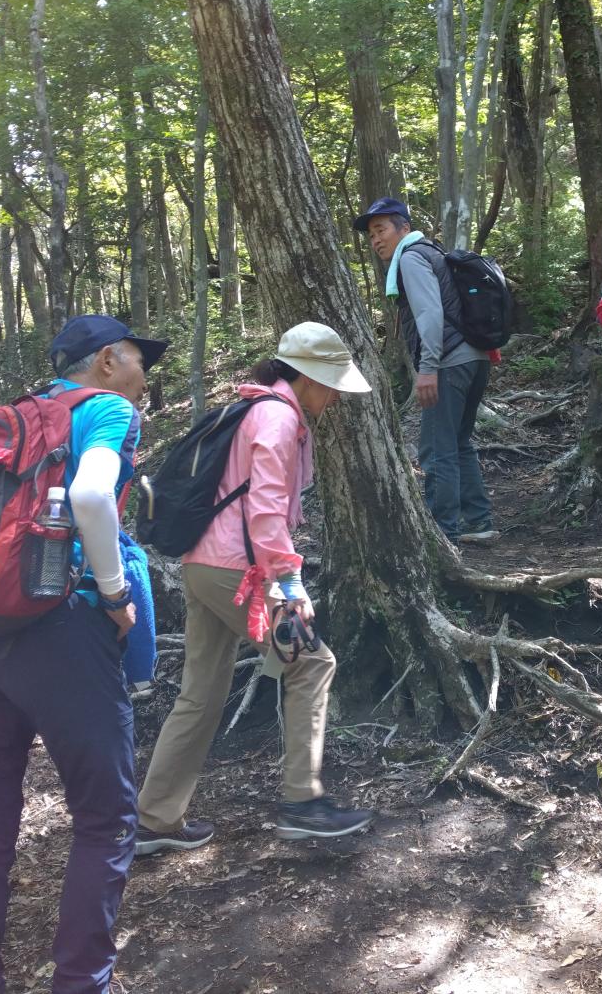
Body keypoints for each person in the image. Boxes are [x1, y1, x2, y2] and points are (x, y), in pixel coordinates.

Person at [0, 314, 167, 994]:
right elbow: (89, 495)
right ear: (107, 360)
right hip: (62, 627)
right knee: (105, 816)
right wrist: (112, 594)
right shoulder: (106, 409)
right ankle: (82, 983)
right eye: (140, 359)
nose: (145, 374)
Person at [136, 323, 375, 851]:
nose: (335, 394)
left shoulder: (257, 408)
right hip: (236, 572)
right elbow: (264, 513)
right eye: (331, 382)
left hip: (203, 565)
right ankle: (302, 803)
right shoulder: (278, 417)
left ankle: (153, 820)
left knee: (200, 694)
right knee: (313, 663)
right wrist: (289, 584)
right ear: (308, 377)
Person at [356, 198, 496, 545]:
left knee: (436, 449)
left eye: (381, 230)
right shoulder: (432, 252)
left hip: (448, 361)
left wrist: (428, 369)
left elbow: (430, 314)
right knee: (459, 443)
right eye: (371, 235)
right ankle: (478, 522)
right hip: (474, 358)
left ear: (403, 227)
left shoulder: (412, 258)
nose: (376, 240)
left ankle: (443, 534)